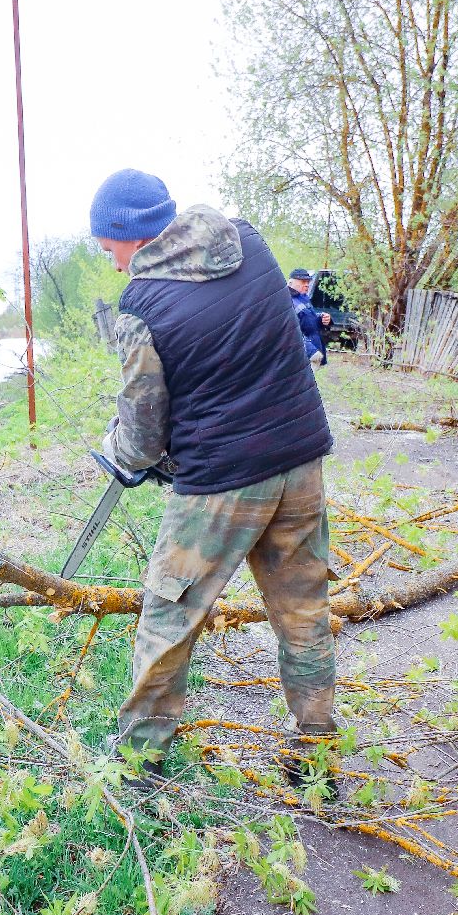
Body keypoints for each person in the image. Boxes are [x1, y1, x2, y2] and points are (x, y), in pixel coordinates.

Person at [89, 167, 338, 793]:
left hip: (221, 482)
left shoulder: (141, 309)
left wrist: (118, 447)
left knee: (169, 616)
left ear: (130, 236)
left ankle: (138, 762)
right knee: (304, 611)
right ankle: (318, 755)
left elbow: (144, 437)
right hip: (300, 459)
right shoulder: (248, 241)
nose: (111, 262)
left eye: (107, 246)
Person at [288, 267, 331, 367]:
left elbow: (308, 322)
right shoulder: (287, 302)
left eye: (308, 282)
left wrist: (322, 319)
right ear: (291, 283)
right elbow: (291, 332)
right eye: (303, 282)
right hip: (301, 357)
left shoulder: (303, 298)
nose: (307, 285)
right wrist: (311, 352)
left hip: (313, 352)